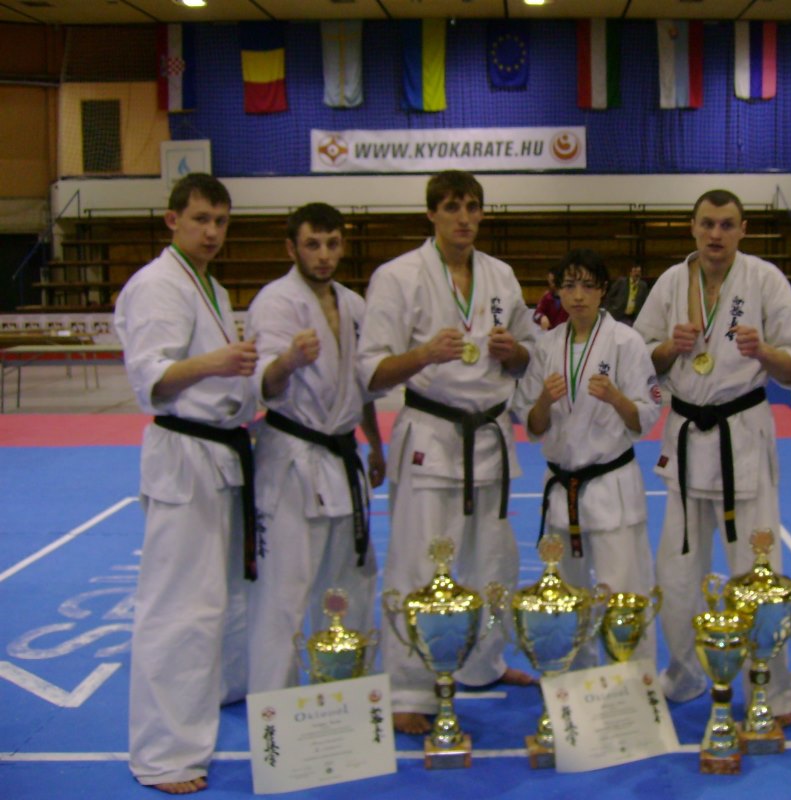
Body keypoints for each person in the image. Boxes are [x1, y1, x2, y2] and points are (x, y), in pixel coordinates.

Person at [357, 170, 539, 735]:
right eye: (453, 206)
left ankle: (484, 662)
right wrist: (422, 355)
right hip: (431, 438)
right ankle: (408, 687)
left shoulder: (501, 275)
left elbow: (529, 355)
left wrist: (513, 353)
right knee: (418, 565)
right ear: (431, 213)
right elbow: (370, 372)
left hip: (490, 437)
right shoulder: (397, 277)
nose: (464, 217)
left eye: (473, 206)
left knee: (495, 561)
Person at [634, 189, 791, 725]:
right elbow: (639, 358)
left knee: (757, 572)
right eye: (707, 223)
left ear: (743, 229)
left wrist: (764, 352)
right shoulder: (670, 283)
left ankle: (770, 687)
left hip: (742, 437)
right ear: (692, 226)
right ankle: (685, 673)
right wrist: (670, 347)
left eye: (727, 224)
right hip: (687, 438)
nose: (716, 234)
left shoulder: (765, 280)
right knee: (677, 572)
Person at [114, 173, 258, 794]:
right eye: (201, 219)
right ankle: (164, 755)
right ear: (172, 219)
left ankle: (222, 688)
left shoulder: (211, 287)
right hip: (184, 454)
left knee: (226, 596)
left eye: (221, 221)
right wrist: (217, 362)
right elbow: (151, 378)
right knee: (178, 608)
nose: (212, 232)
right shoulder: (156, 285)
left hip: (221, 453)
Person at [244, 202, 386, 694]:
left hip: (343, 458)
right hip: (292, 461)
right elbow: (264, 382)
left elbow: (362, 388)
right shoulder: (275, 302)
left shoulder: (354, 304)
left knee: (350, 584)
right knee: (284, 591)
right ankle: (274, 704)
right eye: (312, 244)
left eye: (332, 244)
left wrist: (376, 446)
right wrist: (288, 360)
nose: (324, 255)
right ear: (292, 248)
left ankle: (346, 690)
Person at [513, 249, 661, 667]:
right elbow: (533, 425)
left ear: (602, 290)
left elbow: (646, 416)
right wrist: (544, 400)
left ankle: (633, 681)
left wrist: (616, 397)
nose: (578, 295)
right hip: (563, 489)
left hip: (611, 485)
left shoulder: (626, 342)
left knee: (624, 594)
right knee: (567, 600)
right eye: (569, 285)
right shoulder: (546, 346)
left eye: (587, 286)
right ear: (557, 290)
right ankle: (574, 684)